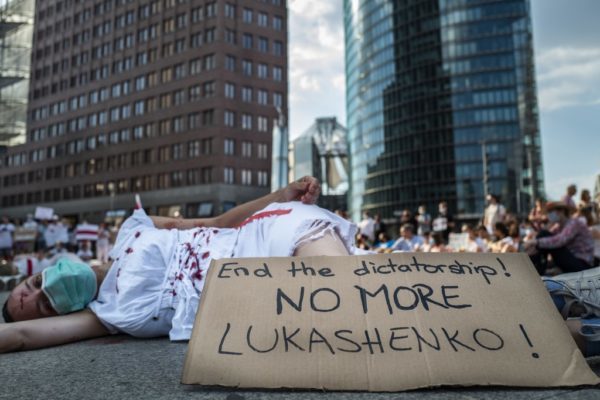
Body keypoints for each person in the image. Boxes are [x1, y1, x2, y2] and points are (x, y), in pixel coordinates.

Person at [0, 177, 364, 352]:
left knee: (342, 284)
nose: (48, 288)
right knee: (348, 308)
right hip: (252, 294)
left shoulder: (133, 228)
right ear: (62, 315)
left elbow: (220, 223)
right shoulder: (109, 315)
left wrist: (279, 196)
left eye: (35, 284)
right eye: (48, 303)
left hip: (258, 237)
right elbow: (22, 336)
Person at [525, 201, 594, 275]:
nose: (549, 215)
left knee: (544, 236)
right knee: (543, 236)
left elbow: (560, 240)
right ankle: (532, 267)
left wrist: (536, 242)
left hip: (582, 264)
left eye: (551, 211)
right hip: (573, 261)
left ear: (561, 211)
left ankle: (530, 268)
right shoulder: (558, 226)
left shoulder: (574, 223)